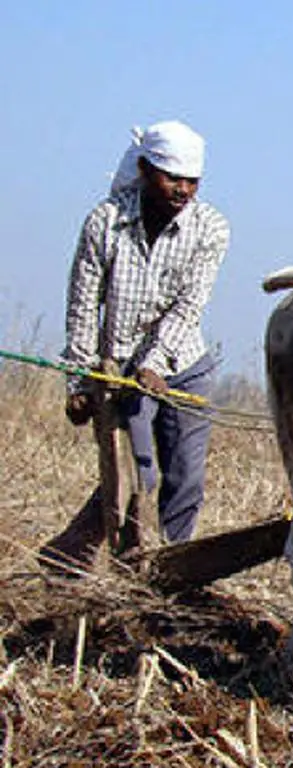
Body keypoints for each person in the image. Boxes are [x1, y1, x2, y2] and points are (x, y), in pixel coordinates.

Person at [39, 120, 230, 572]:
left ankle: (168, 569)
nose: (183, 189)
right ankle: (121, 565)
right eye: (172, 178)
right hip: (119, 371)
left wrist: (155, 363)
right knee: (134, 475)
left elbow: (189, 306)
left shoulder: (211, 228)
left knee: (185, 478)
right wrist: (80, 380)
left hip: (183, 364)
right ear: (145, 170)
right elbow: (83, 307)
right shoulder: (105, 222)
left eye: (191, 181)